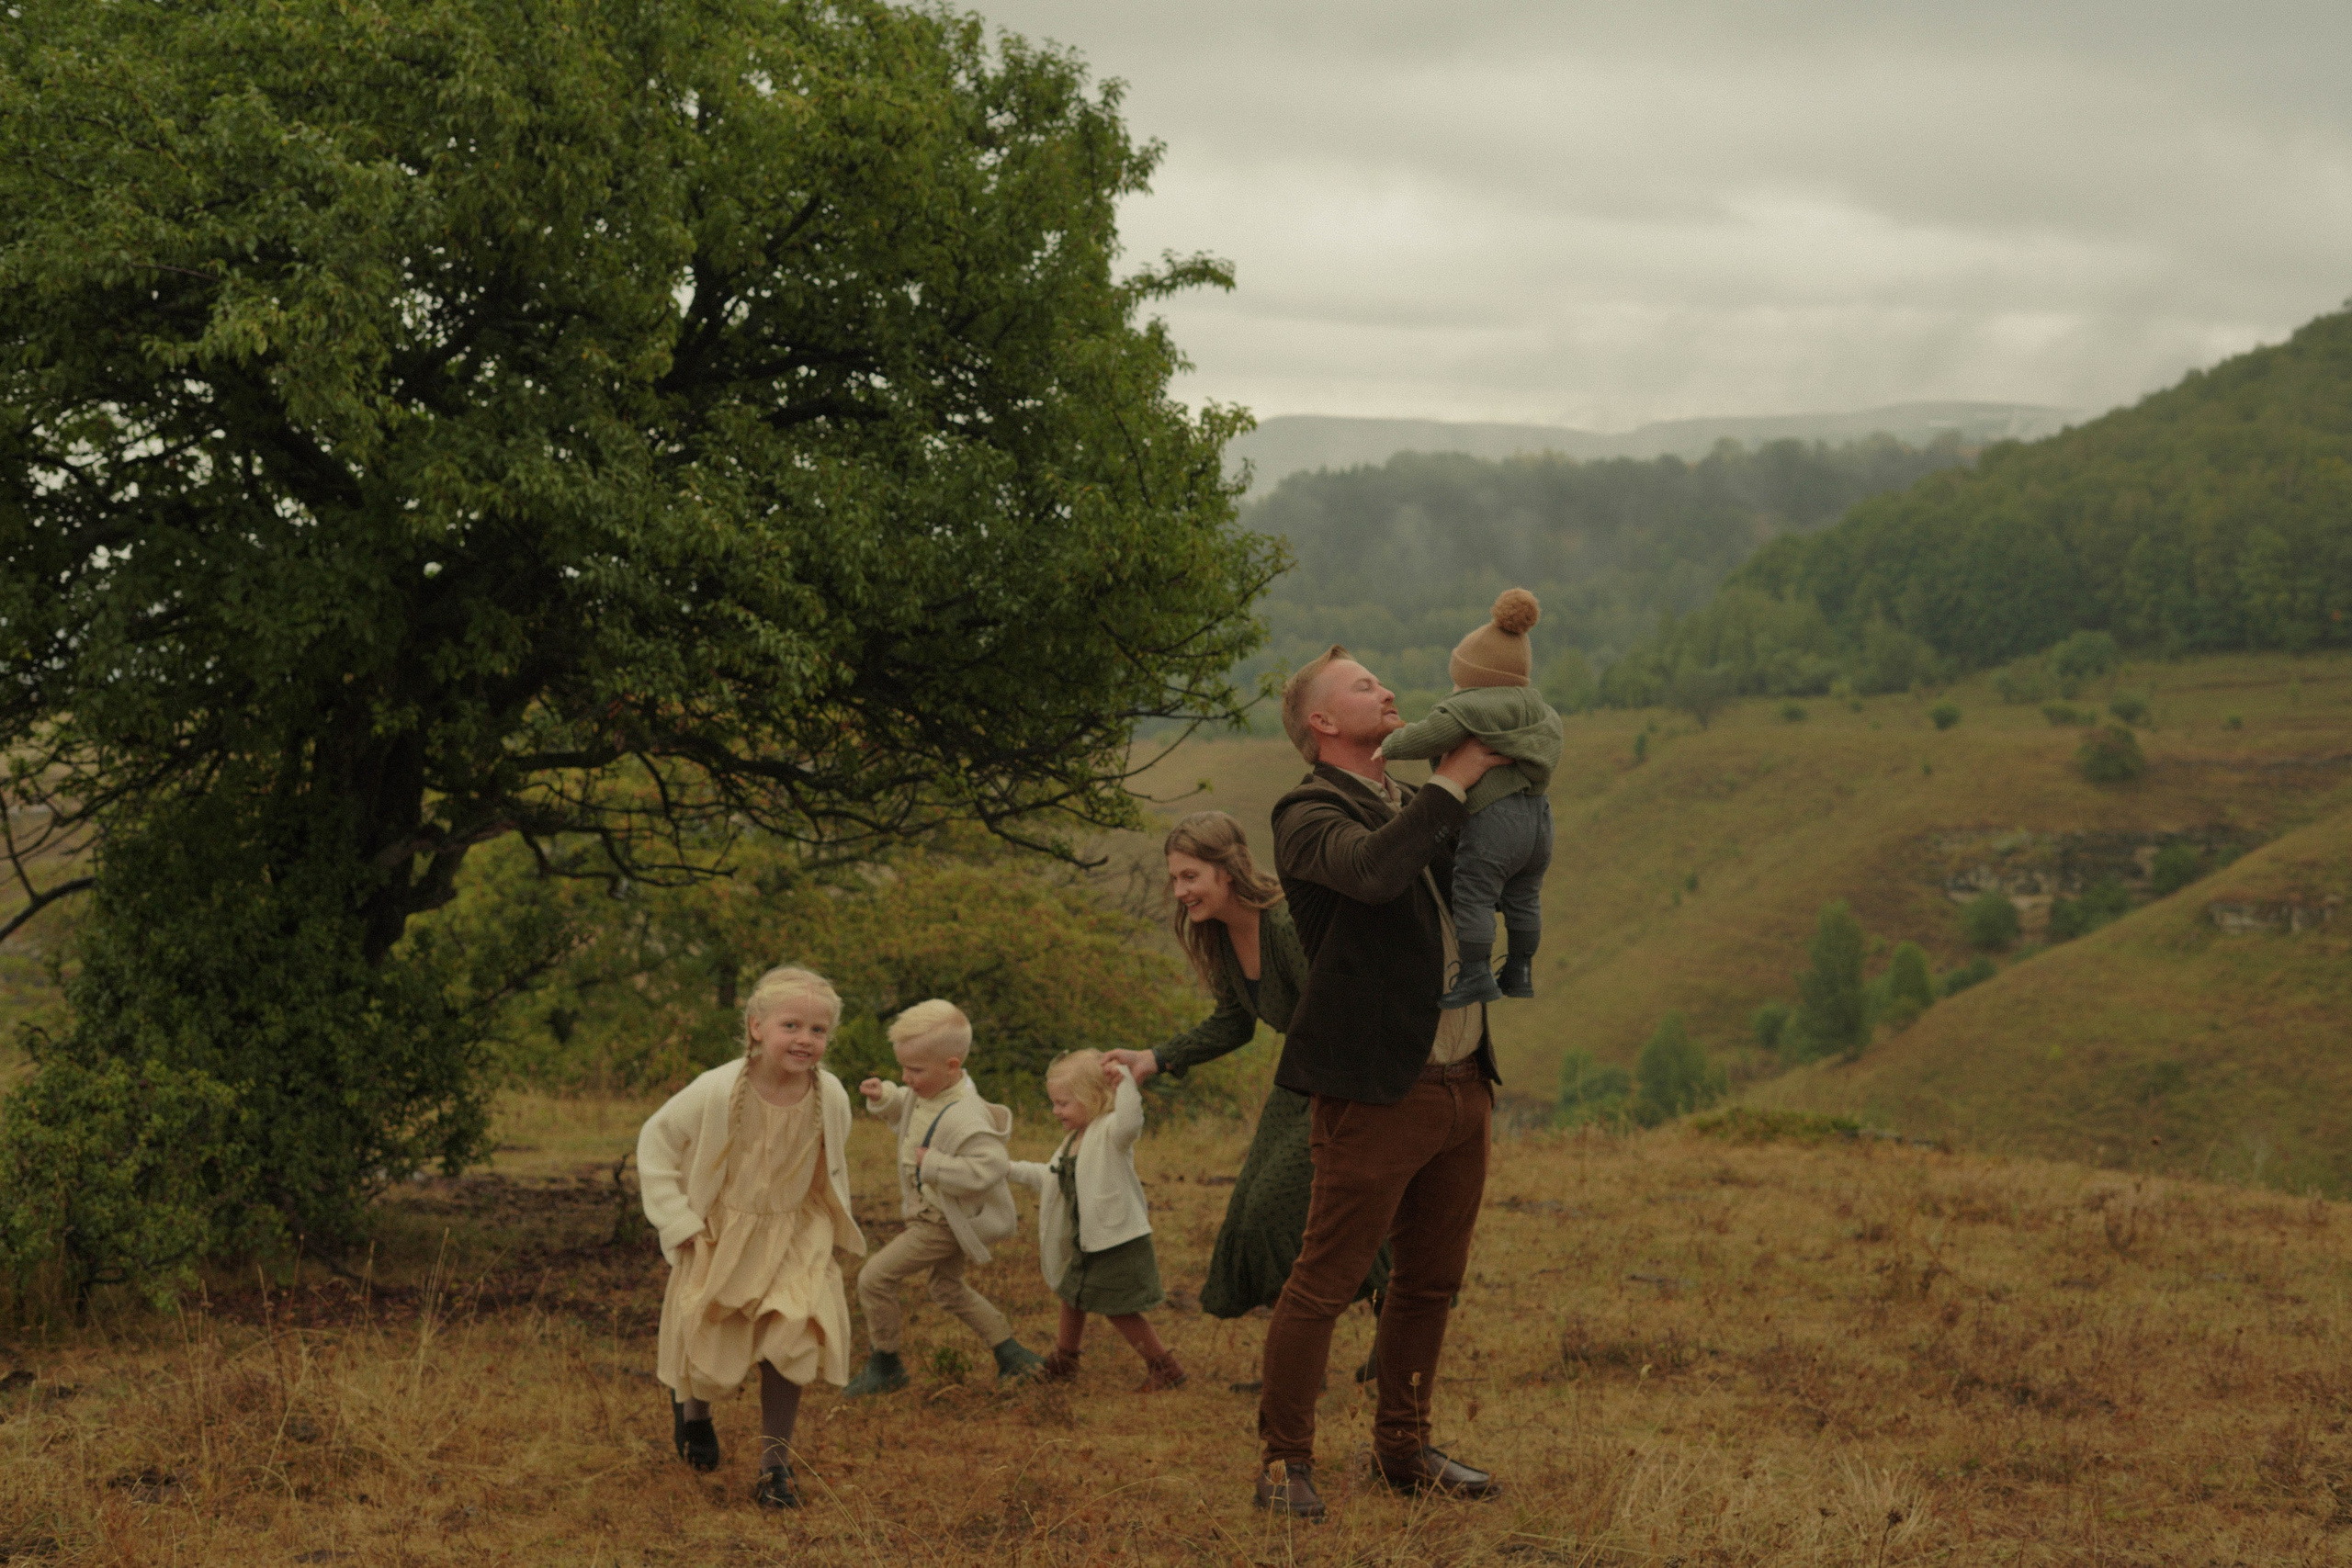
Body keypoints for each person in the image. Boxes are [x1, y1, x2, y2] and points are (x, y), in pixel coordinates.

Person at [1251, 645, 1510, 1520]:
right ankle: (1284, 1461)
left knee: (1432, 1278)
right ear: (1322, 723)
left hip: (1461, 1078)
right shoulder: (1306, 809)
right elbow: (1372, 871)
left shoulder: (1411, 801)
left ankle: (1403, 1450)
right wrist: (1454, 777)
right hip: (1375, 1088)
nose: (1388, 690)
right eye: (1363, 684)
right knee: (1325, 1277)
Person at [1102, 811, 1390, 1333]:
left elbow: (1339, 1013)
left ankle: (1370, 1318)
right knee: (1252, 1212)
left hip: (1345, 1078)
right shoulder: (1221, 933)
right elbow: (1235, 1021)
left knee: (1276, 1207)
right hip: (1301, 1078)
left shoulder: (1284, 924)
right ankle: (1315, 1346)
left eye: (1190, 876)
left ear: (1226, 871)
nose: (1180, 891)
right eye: (1174, 878)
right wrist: (1154, 1059)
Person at [636, 964, 864, 1510]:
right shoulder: (717, 1089)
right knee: (709, 1335)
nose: (805, 1040)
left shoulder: (829, 1094)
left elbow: (826, 1164)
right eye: (791, 1026)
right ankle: (694, 1415)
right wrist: (679, 1221)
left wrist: (826, 1227)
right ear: (757, 1027)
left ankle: (775, 1469)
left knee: (794, 1335)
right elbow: (657, 1142)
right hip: (721, 1230)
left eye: (818, 1031)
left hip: (794, 1232)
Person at [842, 999, 1044, 1396]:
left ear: (951, 1066)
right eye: (904, 1068)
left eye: (915, 1070)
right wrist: (886, 1097)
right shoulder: (932, 1091)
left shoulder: (966, 1115)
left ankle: (886, 1363)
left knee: (874, 1279)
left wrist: (933, 1165)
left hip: (940, 1221)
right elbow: (913, 1107)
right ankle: (1012, 1353)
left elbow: (990, 1168)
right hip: (931, 1213)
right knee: (947, 1289)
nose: (907, 1077)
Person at [1378, 588, 1564, 1006]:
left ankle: (1477, 973)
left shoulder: (1469, 706)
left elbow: (1432, 735)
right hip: (1539, 820)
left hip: (1494, 821)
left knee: (1474, 891)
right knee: (1524, 895)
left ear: (1475, 673)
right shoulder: (1539, 710)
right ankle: (1519, 970)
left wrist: (1390, 745)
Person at [1007, 1052, 1186, 1392]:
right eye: (1054, 1103)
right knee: (1071, 1294)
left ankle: (1165, 1367)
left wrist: (1127, 1085)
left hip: (1114, 1238)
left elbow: (1132, 1122)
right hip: (1084, 1238)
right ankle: (1065, 1359)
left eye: (1063, 1103)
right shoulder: (1072, 1141)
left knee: (1118, 1307)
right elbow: (1051, 1177)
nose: (1056, 1111)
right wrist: (1010, 1170)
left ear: (1093, 1098)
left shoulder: (1111, 1133)